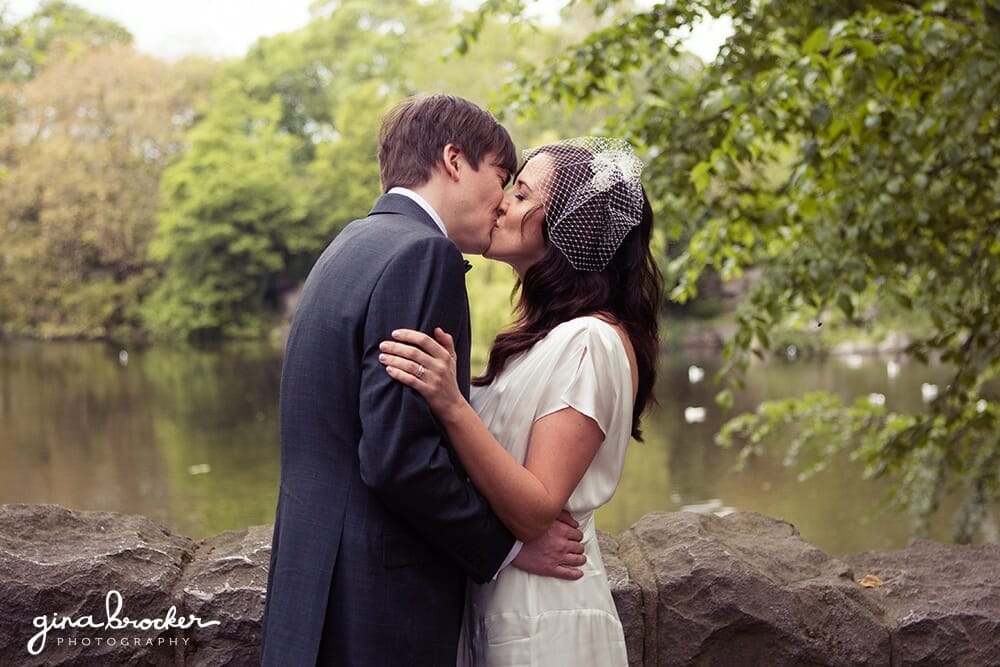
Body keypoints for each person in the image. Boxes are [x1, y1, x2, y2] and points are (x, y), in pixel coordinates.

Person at [260, 95, 588, 666]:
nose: (503, 200)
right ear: (455, 160)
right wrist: (505, 546)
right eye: (503, 176)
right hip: (379, 607)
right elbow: (400, 458)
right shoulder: (423, 256)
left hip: (310, 585)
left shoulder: (348, 245)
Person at [378, 137, 662, 665]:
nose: (503, 201)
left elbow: (535, 509)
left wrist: (451, 402)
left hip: (548, 619)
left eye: (524, 193)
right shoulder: (539, 339)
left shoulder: (590, 342)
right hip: (504, 598)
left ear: (571, 230)